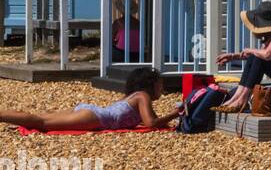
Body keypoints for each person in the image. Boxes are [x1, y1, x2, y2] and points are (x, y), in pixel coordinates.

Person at [0, 67, 178, 132]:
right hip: (95, 118)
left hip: (91, 111)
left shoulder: (137, 96)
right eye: (160, 85)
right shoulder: (143, 96)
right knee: (41, 123)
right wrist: (175, 113)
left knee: (41, 117)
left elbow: (154, 121)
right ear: (151, 85)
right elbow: (151, 123)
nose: (162, 89)